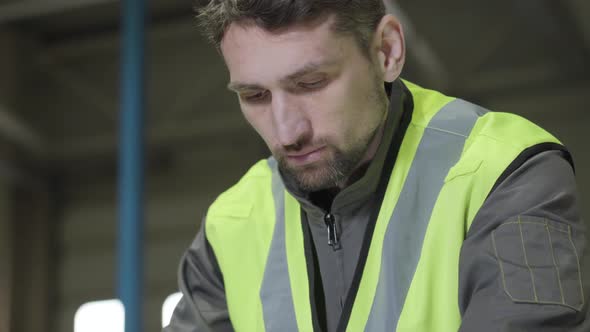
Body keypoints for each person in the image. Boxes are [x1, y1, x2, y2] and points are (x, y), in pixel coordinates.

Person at [164, 1, 589, 331]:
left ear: (387, 51)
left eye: (311, 84)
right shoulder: (231, 225)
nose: (286, 132)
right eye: (255, 96)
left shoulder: (502, 171)